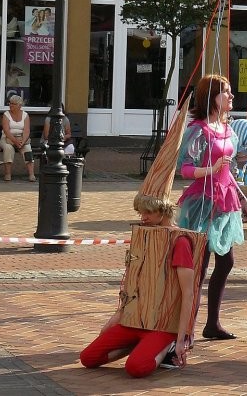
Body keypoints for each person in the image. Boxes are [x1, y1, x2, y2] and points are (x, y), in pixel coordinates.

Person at [81, 98, 201, 377]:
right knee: (89, 358)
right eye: (141, 212)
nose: (143, 217)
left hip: (162, 324)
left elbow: (188, 293)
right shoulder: (145, 237)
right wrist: (118, 315)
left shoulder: (179, 241)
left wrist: (182, 337)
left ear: (163, 211)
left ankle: (163, 347)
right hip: (136, 319)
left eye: (148, 212)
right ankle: (135, 346)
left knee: (137, 368)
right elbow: (135, 282)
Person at [176, 74, 247, 341]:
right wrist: (211, 169)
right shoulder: (198, 129)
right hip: (203, 202)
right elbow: (184, 168)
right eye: (225, 92)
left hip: (225, 200)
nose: (231, 96)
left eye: (230, 91)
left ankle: (212, 324)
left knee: (226, 261)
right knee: (200, 266)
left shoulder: (227, 128)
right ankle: (186, 328)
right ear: (211, 97)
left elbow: (229, 170)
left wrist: (241, 198)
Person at [0, 95, 36, 182]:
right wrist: (15, 141)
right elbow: (6, 131)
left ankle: (31, 174)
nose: (11, 105)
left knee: (27, 149)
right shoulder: (6, 115)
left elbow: (26, 131)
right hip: (7, 138)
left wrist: (22, 142)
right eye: (10, 103)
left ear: (20, 105)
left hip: (21, 138)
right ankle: (8, 174)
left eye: (13, 104)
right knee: (8, 148)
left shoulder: (25, 115)